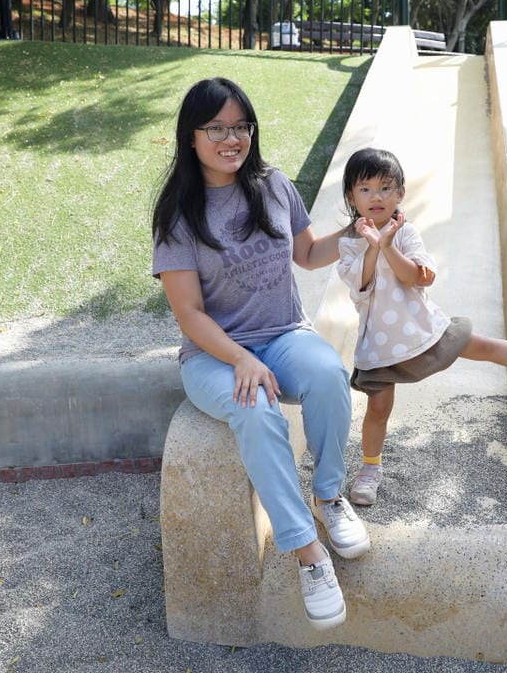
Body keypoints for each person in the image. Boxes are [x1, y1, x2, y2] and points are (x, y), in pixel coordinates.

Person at [151, 77, 369, 631]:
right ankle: (307, 554)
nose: (232, 138)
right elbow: (190, 315)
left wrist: (358, 230)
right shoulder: (178, 214)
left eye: (240, 126)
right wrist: (242, 360)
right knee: (254, 407)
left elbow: (307, 253)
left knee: (326, 373)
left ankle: (328, 498)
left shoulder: (273, 185)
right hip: (212, 355)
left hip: (283, 334)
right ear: (192, 136)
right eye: (217, 128)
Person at [336, 147, 507, 507]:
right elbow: (360, 283)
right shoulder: (349, 244)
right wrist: (372, 246)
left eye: (385, 187)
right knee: (378, 408)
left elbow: (417, 278)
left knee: (484, 347)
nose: (376, 196)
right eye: (365, 189)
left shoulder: (407, 233)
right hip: (381, 347)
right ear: (351, 195)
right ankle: (370, 469)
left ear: (400, 194)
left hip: (424, 329)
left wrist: (387, 245)